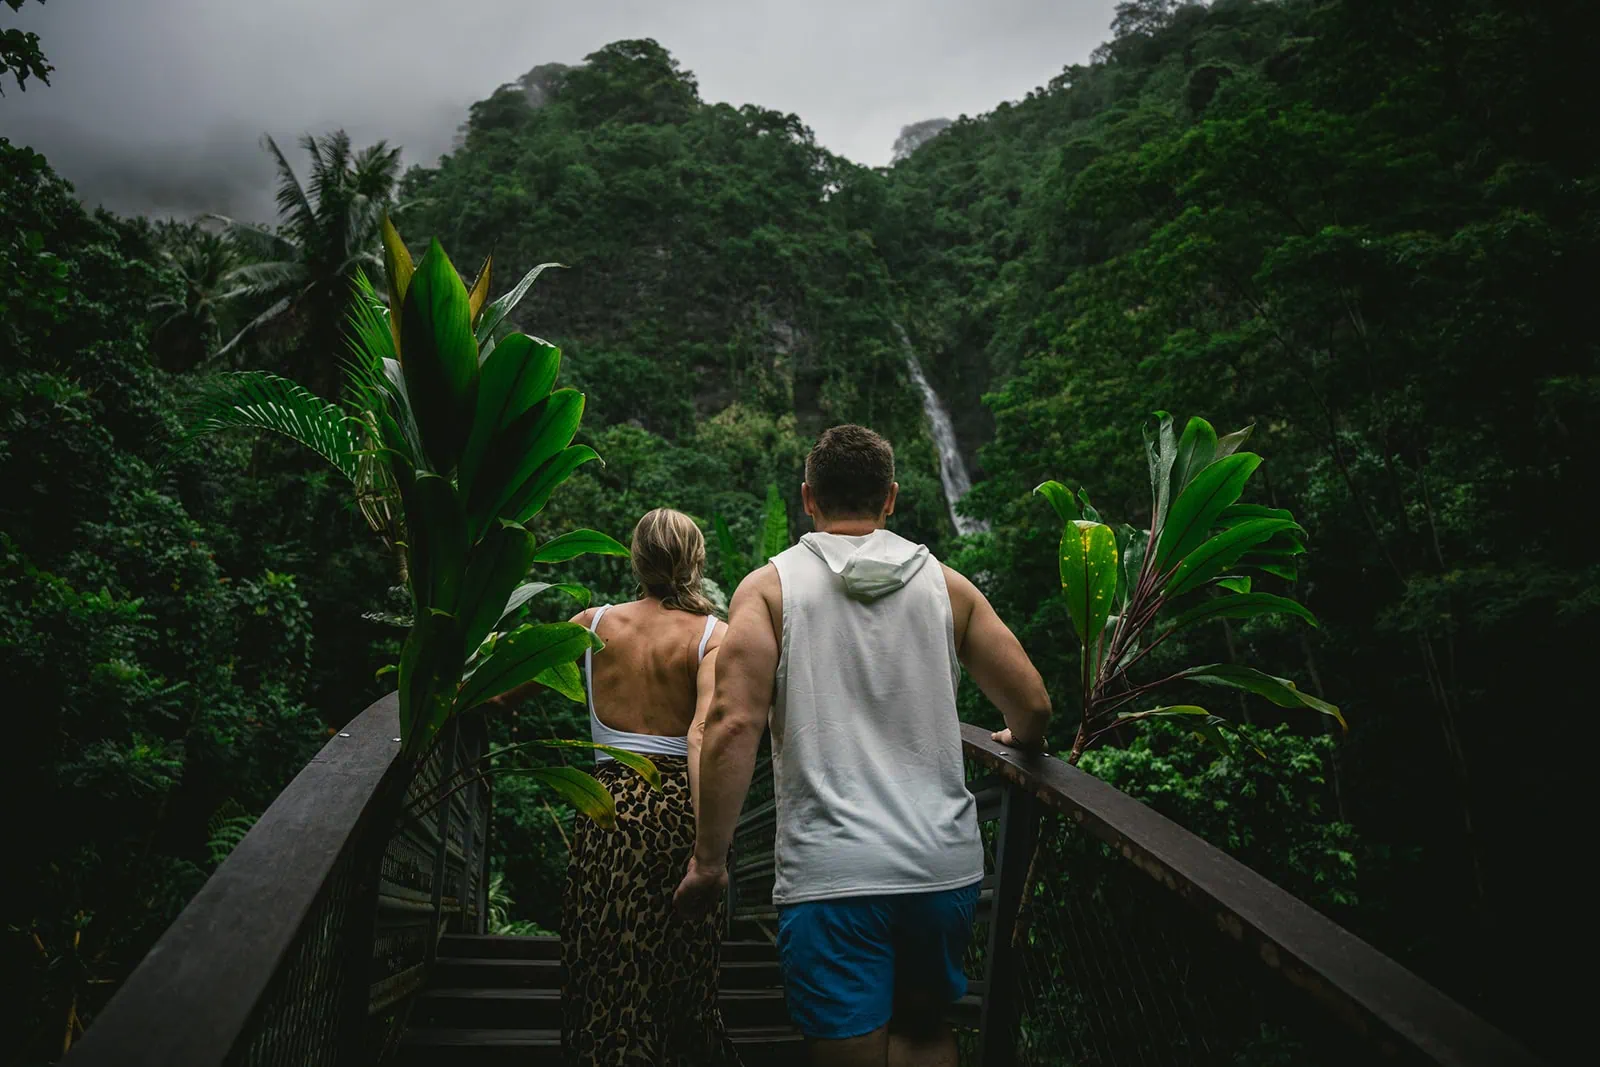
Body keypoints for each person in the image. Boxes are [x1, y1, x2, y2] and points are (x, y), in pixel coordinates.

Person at [675, 425, 1052, 1067]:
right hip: (941, 866)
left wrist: (709, 862)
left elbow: (733, 723)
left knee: (845, 1043)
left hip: (832, 873)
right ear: (891, 498)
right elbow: (1035, 706)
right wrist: (1020, 739)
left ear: (808, 498)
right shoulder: (947, 586)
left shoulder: (768, 591)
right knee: (925, 1032)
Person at [556, 508, 741, 1066]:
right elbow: (703, 735)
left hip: (607, 811)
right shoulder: (713, 636)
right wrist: (710, 855)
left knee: (608, 961)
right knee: (678, 968)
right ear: (697, 560)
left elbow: (501, 692)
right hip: (678, 818)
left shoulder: (588, 624)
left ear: (636, 561)